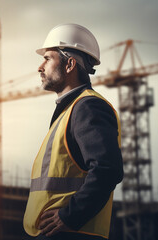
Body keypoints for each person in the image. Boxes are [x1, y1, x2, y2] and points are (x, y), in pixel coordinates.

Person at [23, 24, 124, 240]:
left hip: (72, 232)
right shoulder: (70, 110)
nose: (40, 67)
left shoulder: (87, 107)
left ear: (69, 64)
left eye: (48, 58)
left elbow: (107, 169)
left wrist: (70, 216)